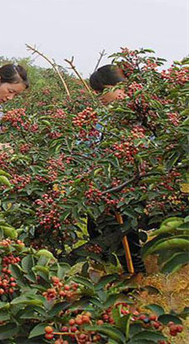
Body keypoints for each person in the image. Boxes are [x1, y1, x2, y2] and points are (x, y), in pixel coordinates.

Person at [86, 64, 146, 275]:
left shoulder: (138, 114)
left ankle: (137, 282)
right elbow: (89, 148)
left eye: (103, 91)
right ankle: (106, 277)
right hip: (105, 187)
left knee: (127, 237)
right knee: (95, 229)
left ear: (119, 87)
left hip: (126, 187)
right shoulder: (103, 116)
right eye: (96, 93)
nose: (99, 97)